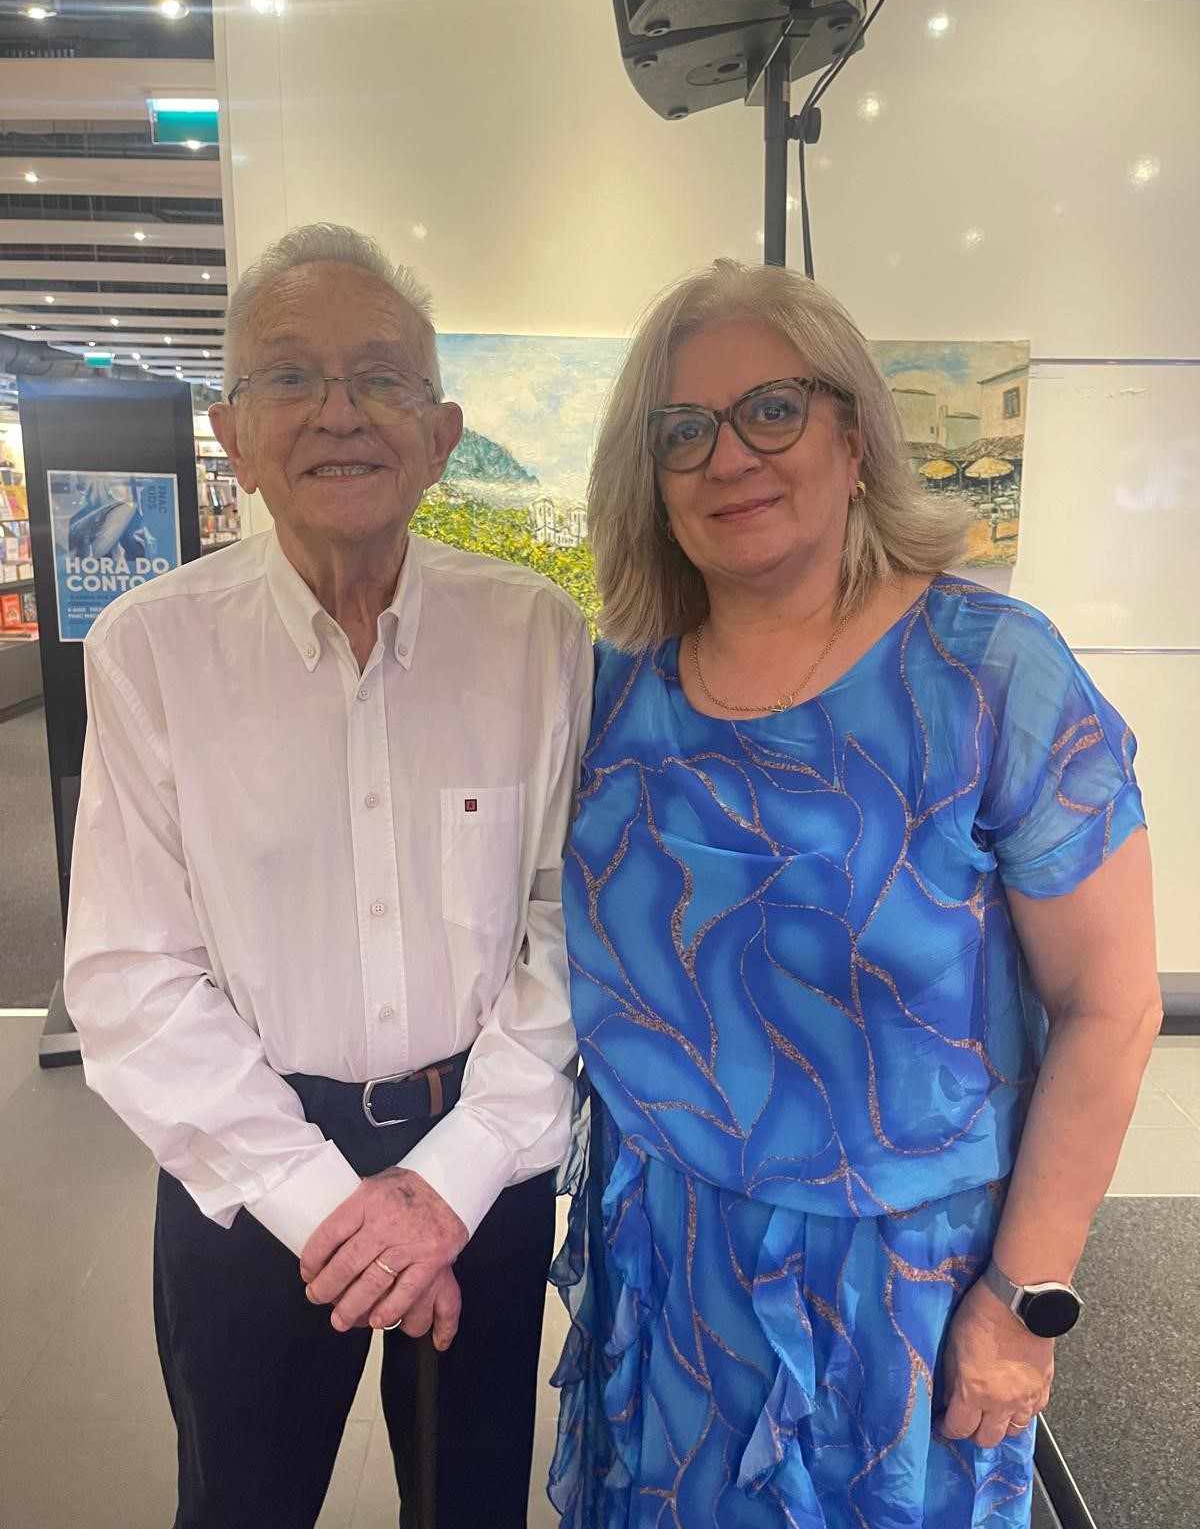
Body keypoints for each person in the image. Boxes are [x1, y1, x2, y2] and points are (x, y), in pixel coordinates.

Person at [549, 259, 1161, 1529]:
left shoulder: (991, 677)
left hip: (904, 1313)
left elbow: (1111, 1007)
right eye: (683, 432)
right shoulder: (615, 695)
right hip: (667, 1290)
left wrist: (1027, 1298)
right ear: (648, 479)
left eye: (770, 409)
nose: (729, 457)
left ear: (851, 430)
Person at [64, 223, 592, 1529]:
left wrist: (449, 1180)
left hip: (486, 1164)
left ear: (443, 429)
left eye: (382, 378)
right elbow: (132, 972)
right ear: (232, 433)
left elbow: (566, 932)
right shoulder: (151, 651)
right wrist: (327, 1207)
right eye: (290, 376)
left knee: (471, 1509)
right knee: (240, 1504)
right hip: (244, 1181)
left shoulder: (536, 637)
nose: (339, 412)